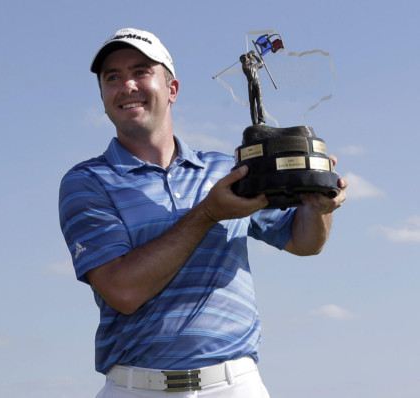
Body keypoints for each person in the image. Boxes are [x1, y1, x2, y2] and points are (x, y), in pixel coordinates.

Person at [58, 28, 347, 398]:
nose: (126, 84)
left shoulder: (228, 170)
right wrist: (209, 212)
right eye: (112, 77)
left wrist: (318, 207)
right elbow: (123, 290)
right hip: (135, 387)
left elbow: (303, 241)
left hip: (233, 385)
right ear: (102, 97)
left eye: (141, 71)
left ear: (172, 89)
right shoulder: (87, 181)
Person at [241, 50, 265, 125]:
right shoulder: (245, 66)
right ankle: (254, 122)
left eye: (245, 58)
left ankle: (261, 120)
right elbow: (245, 63)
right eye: (243, 59)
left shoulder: (254, 66)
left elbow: (261, 62)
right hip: (250, 83)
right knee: (252, 103)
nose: (245, 59)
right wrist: (250, 57)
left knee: (259, 101)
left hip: (257, 82)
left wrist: (254, 55)